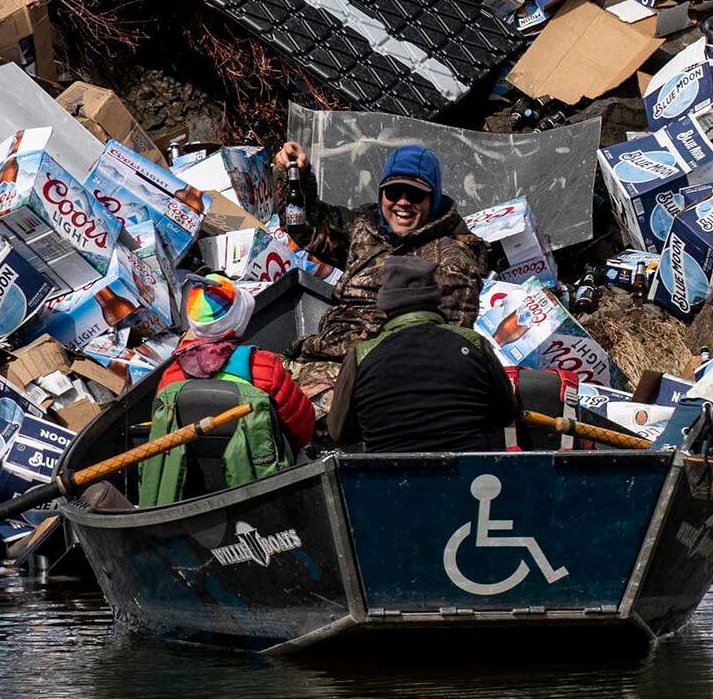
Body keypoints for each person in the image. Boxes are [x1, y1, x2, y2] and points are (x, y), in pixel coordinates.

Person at [272, 142, 491, 410]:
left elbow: (440, 345)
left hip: (371, 375)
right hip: (317, 353)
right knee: (242, 383)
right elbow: (304, 224)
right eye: (394, 192)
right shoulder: (366, 228)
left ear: (432, 199)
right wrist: (295, 174)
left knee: (286, 411)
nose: (403, 202)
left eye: (415, 195)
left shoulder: (451, 257)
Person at [139, 275, 315, 505]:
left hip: (195, 492)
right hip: (261, 487)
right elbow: (303, 429)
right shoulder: (264, 367)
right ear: (238, 322)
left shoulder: (170, 378)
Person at [328, 257, 516, 454]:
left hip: (390, 477)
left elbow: (338, 432)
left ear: (385, 308)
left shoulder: (361, 356)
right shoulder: (473, 343)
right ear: (435, 300)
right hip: (472, 478)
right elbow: (505, 413)